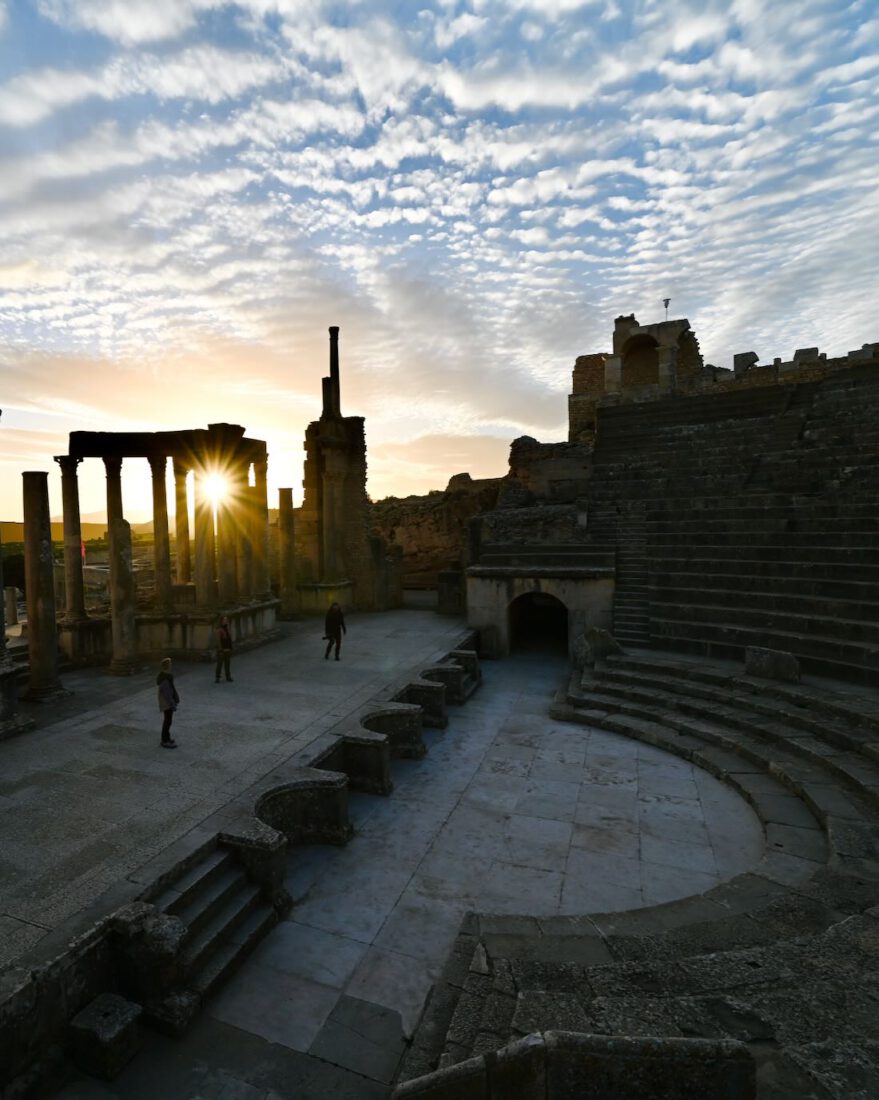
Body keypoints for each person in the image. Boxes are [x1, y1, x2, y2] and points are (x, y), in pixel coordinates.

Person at [157, 657, 180, 748]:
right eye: (170, 664)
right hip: (167, 704)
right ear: (167, 666)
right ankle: (164, 740)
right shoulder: (165, 679)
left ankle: (167, 738)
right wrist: (172, 704)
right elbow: (167, 694)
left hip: (167, 703)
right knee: (167, 721)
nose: (171, 666)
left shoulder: (167, 676)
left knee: (168, 721)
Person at [215, 615, 233, 682]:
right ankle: (217, 677)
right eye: (224, 620)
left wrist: (230, 647)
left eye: (226, 620)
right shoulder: (219, 629)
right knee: (220, 664)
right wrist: (220, 649)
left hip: (228, 648)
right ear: (221, 621)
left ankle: (228, 676)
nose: (226, 621)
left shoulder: (227, 628)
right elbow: (218, 640)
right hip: (222, 649)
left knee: (227, 664)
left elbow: (229, 638)